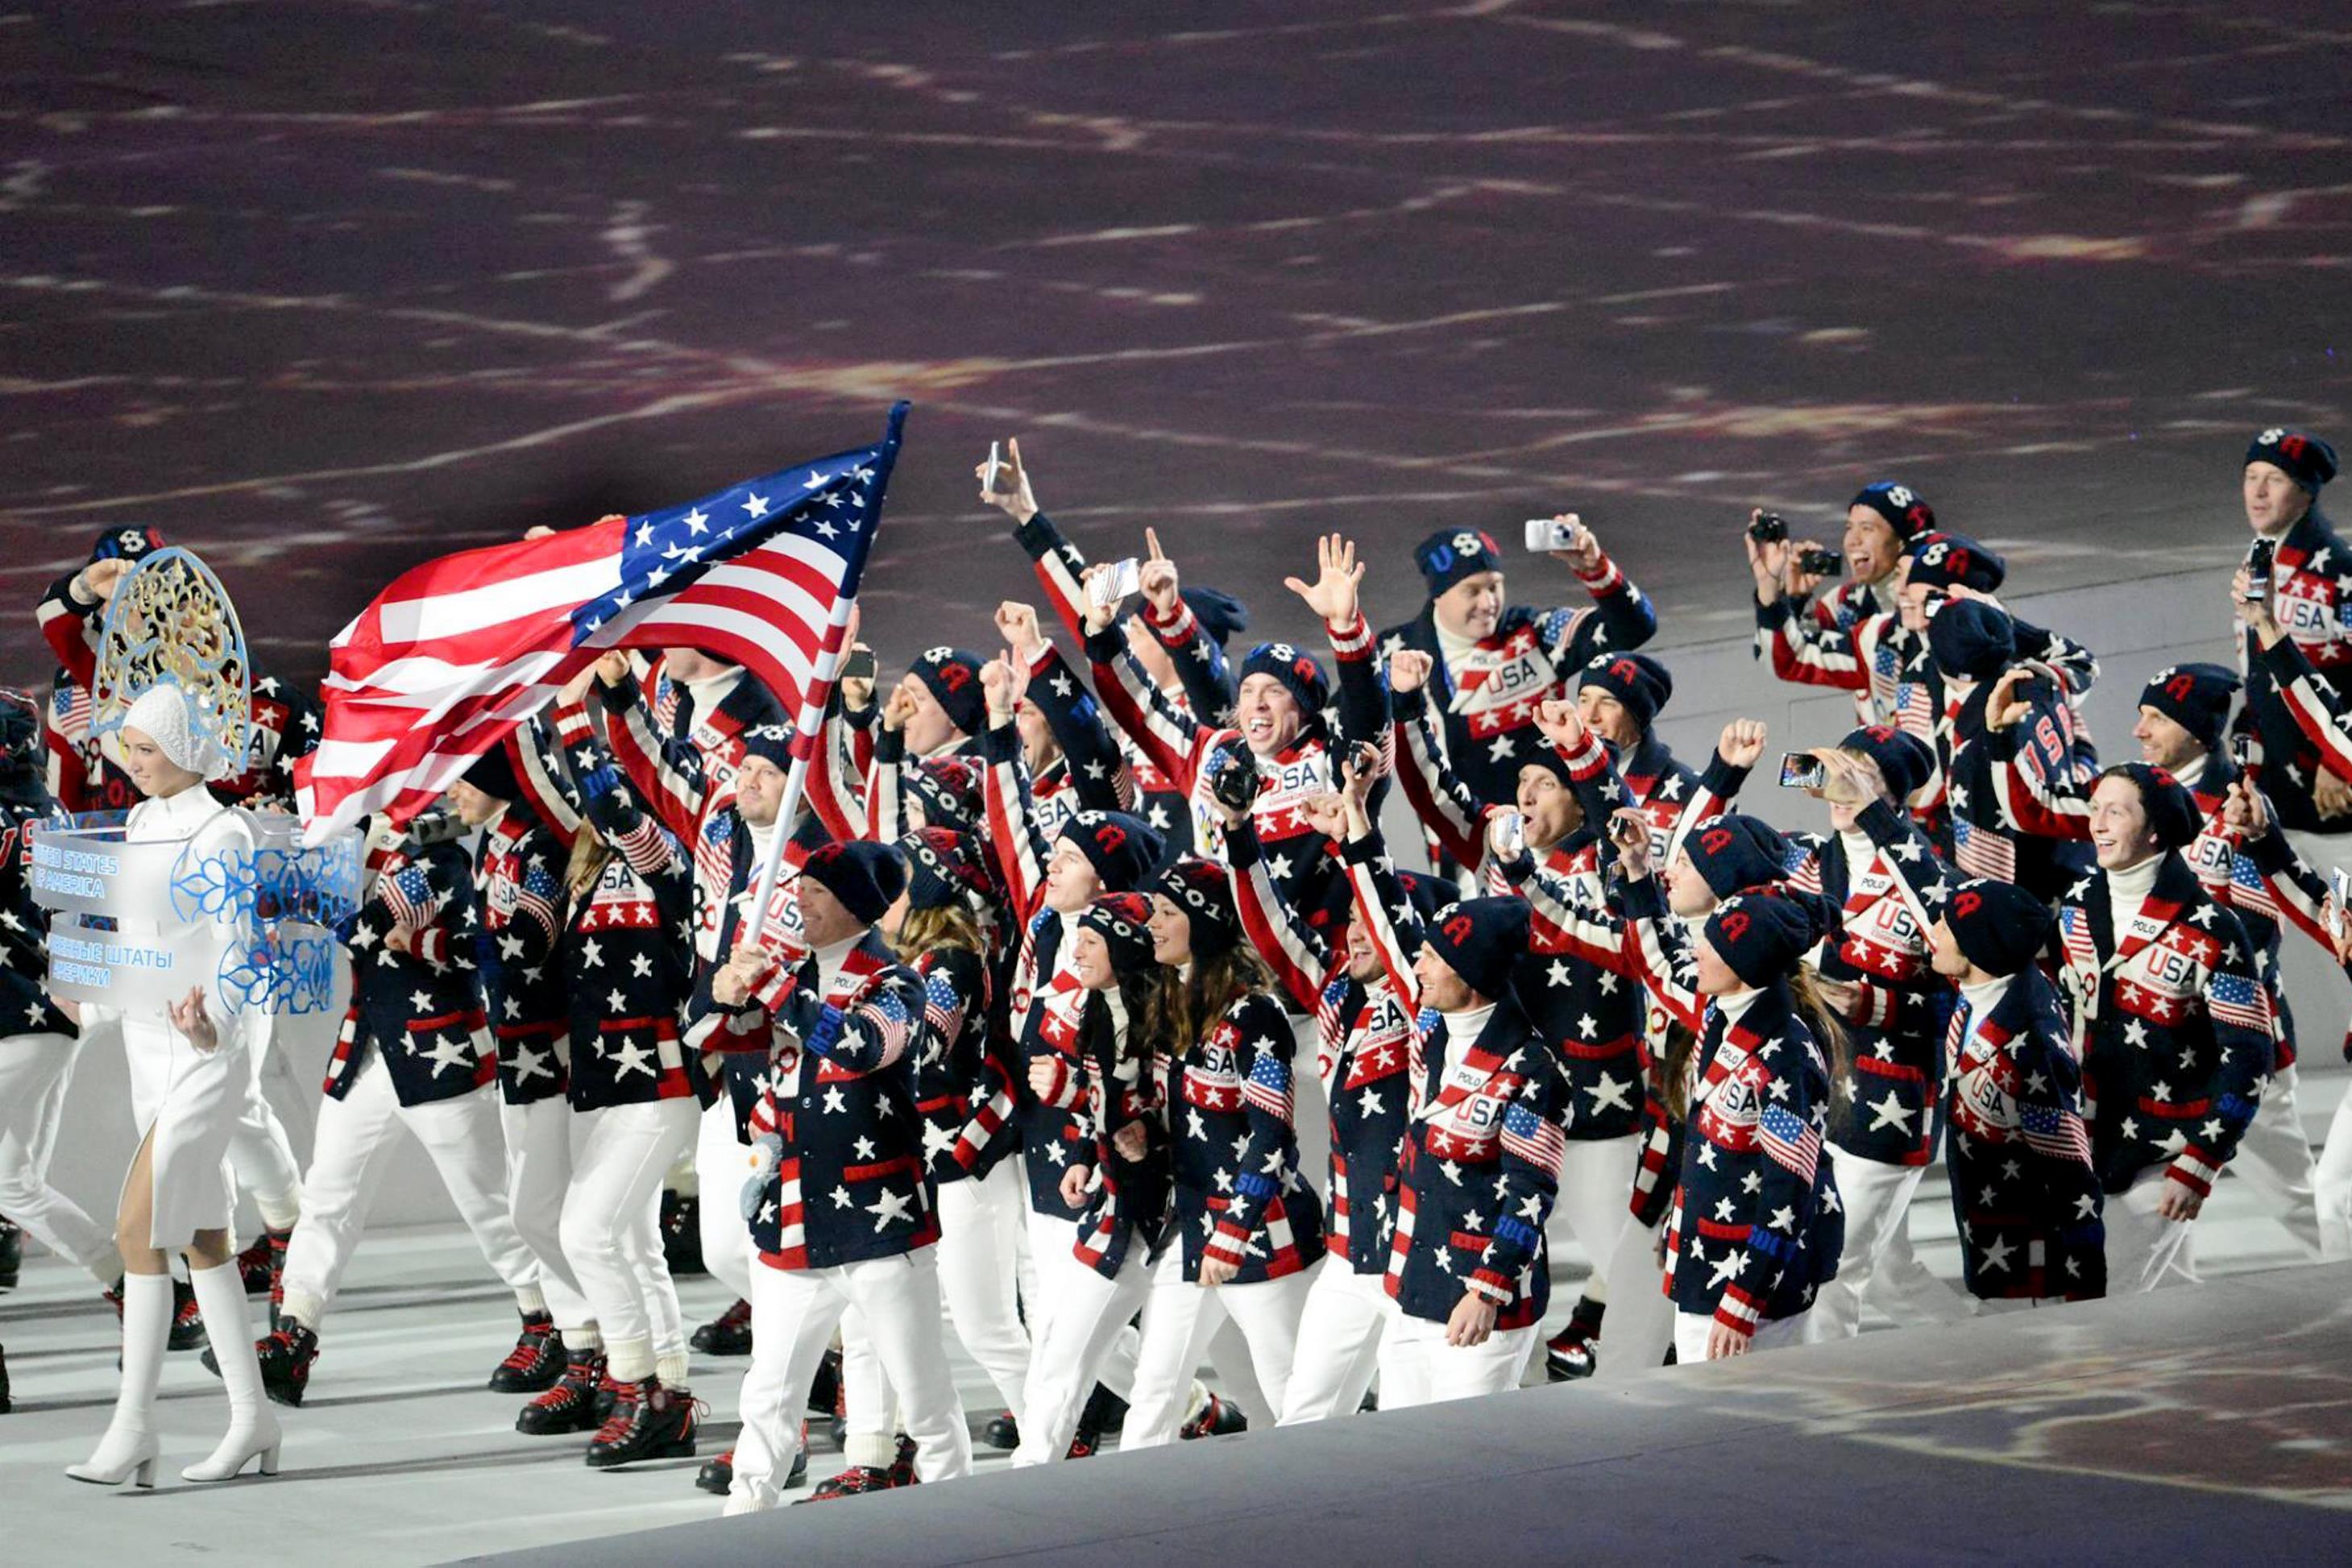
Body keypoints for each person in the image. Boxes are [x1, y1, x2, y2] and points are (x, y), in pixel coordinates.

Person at [244, 789, 549, 1406]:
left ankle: (548, 1322)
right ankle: (293, 1335)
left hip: (441, 1057)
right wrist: (280, 836)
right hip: (366, 1052)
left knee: (489, 1204)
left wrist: (299, 883)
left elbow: (363, 931)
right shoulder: (351, 846)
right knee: (327, 1194)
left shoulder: (442, 864)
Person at [716, 840, 974, 1510]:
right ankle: (742, 1525)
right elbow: (721, 1044)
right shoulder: (788, 973)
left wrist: (772, 990)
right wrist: (723, 996)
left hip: (877, 1221)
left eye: (818, 891)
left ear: (856, 906)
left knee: (923, 1400)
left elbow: (861, 1046)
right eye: (800, 886)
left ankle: (963, 1524)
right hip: (792, 1220)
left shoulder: (898, 983)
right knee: (767, 1398)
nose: (799, 897)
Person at [68, 683, 279, 1487]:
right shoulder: (141, 822)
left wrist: (211, 1027)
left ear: (186, 750)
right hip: (146, 1047)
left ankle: (133, 1426)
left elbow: (238, 945)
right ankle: (253, 1418)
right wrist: (89, 1005)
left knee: (138, 1228)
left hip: (208, 1051)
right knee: (203, 1236)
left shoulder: (224, 830)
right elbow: (131, 938)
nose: (131, 760)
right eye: (127, 746)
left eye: (145, 747)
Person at [512, 689, 707, 1466]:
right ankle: (670, 1386)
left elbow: (610, 797)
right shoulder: (580, 873)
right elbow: (564, 792)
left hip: (661, 1082)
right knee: (630, 1240)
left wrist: (571, 711)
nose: (605, 809)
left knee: (585, 1231)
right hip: (600, 1082)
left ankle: (636, 1388)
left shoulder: (668, 861)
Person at [1118, 856, 1324, 1446]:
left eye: (1165, 912)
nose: (1151, 924)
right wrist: (1148, 1136)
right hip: (1192, 1228)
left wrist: (1232, 1234)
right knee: (1156, 1387)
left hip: (1261, 1233)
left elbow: (1272, 1137)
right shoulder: (1172, 1003)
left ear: (1203, 923)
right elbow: (1190, 1120)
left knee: (1289, 1394)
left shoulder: (1254, 1017)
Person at [2054, 765, 2275, 1292]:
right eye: (2094, 807)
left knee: (2099, 1304)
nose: (2096, 824)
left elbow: (2248, 1058)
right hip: (2090, 1140)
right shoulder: (2078, 903)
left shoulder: (2213, 927)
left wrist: (2200, 1163)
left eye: (2115, 811)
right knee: (2162, 1302)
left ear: (2154, 830)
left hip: (2162, 1150)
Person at [1786, 729, 1974, 1342]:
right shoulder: (1813, 860)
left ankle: (1821, 1401)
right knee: (1889, 1269)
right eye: (1838, 769)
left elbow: (1964, 987)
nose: (1839, 785)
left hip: (1889, 1095)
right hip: (1823, 1088)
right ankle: (1994, 1350)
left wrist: (1873, 1005)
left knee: (1834, 1264)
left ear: (1893, 795)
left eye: (1862, 774)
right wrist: (1728, 774)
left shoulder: (1926, 874)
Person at [1010, 894, 1180, 1464]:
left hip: (1189, 1224)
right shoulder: (1095, 1008)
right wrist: (1086, 1151)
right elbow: (1110, 1104)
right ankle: (1028, 1477)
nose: (1075, 950)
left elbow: (1189, 1117)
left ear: (1124, 948)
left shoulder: (1168, 1017)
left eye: (1090, 940)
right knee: (1062, 1353)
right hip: (1119, 1216)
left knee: (1255, 1373)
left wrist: (1141, 1136)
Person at [1376, 519, 1657, 813]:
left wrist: (1594, 568)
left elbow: (1635, 628)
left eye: (1494, 587)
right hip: (1463, 839)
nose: (1488, 604)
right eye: (1472, 591)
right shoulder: (1398, 652)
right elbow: (1351, 722)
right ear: (1438, 595)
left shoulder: (1533, 634)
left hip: (1556, 834)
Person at [0, 692, 118, 1308]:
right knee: (13, 1186)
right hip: (60, 1016)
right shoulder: (60, 816)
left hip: (10, 1015)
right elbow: (93, 919)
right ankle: (141, 1286)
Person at [2230, 428, 2350, 848]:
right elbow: (2258, 667)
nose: (2258, 492)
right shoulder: (2260, 555)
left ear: (2306, 493)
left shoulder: (2338, 569)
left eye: (2275, 480)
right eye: (2251, 476)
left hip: (2330, 788)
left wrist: (2339, 760)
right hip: (2278, 774)